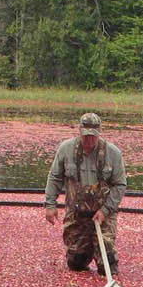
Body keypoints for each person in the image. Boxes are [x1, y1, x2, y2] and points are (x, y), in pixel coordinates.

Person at [44, 112, 127, 274]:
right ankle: (83, 254)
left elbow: (120, 185)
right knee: (76, 263)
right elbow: (54, 178)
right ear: (79, 132)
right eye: (86, 136)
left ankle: (104, 259)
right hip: (76, 214)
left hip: (103, 214)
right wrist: (50, 204)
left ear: (99, 133)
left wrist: (105, 210)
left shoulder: (113, 153)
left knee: (107, 265)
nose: (89, 140)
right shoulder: (65, 149)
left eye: (93, 137)